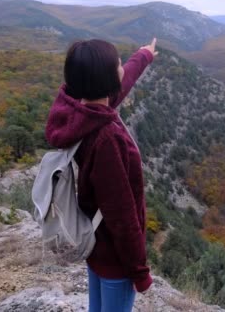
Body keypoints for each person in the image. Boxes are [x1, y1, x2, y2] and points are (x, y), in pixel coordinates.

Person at [45, 38, 159, 312]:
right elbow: (121, 213)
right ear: (107, 79)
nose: (123, 67)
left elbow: (121, 84)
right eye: (119, 64)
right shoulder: (106, 138)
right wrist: (139, 272)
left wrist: (143, 56)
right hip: (115, 255)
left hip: (95, 243)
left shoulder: (80, 113)